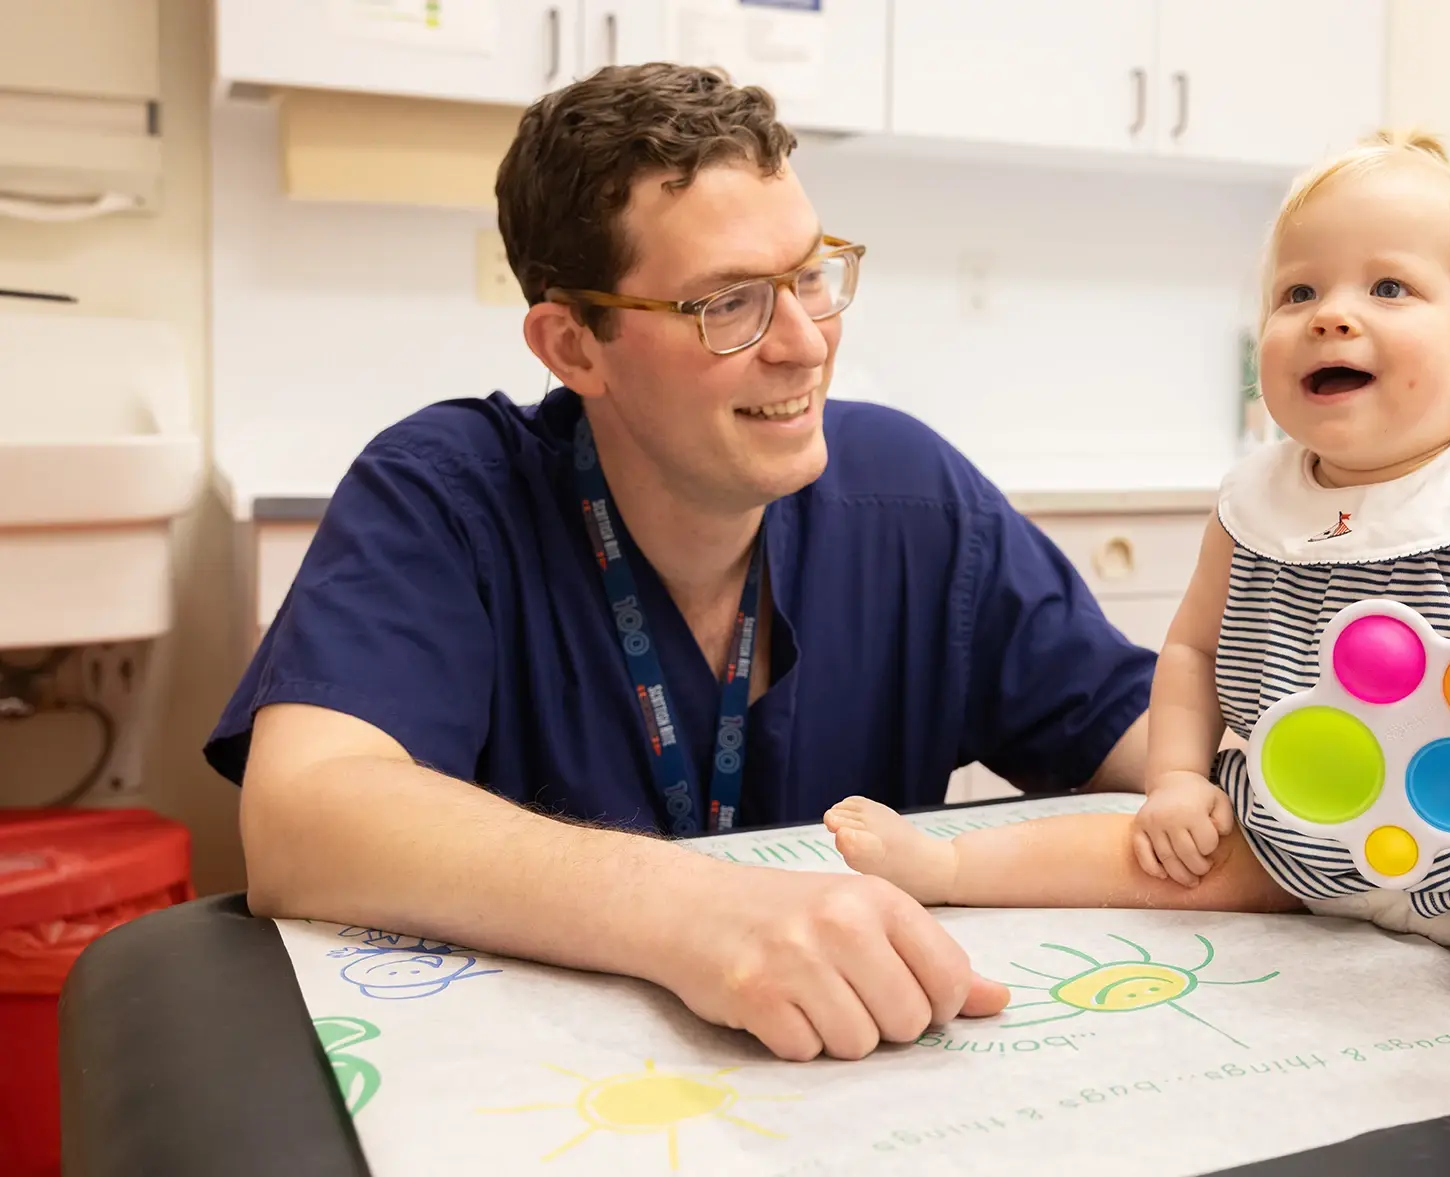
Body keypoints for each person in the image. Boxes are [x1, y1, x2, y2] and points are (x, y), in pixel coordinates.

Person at [204, 63, 1158, 1064]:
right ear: (574, 348)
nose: (802, 345)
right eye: (727, 304)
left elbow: (1164, 754)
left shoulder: (911, 500)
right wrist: (694, 912)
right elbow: (302, 818)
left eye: (810, 276)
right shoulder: (448, 498)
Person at [823, 130, 1450, 1160]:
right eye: (1296, 294)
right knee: (1150, 844)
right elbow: (1190, 654)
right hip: (1303, 829)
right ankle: (950, 865)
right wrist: (1172, 781)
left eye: (1387, 287)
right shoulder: (1253, 505)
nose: (1330, 311)